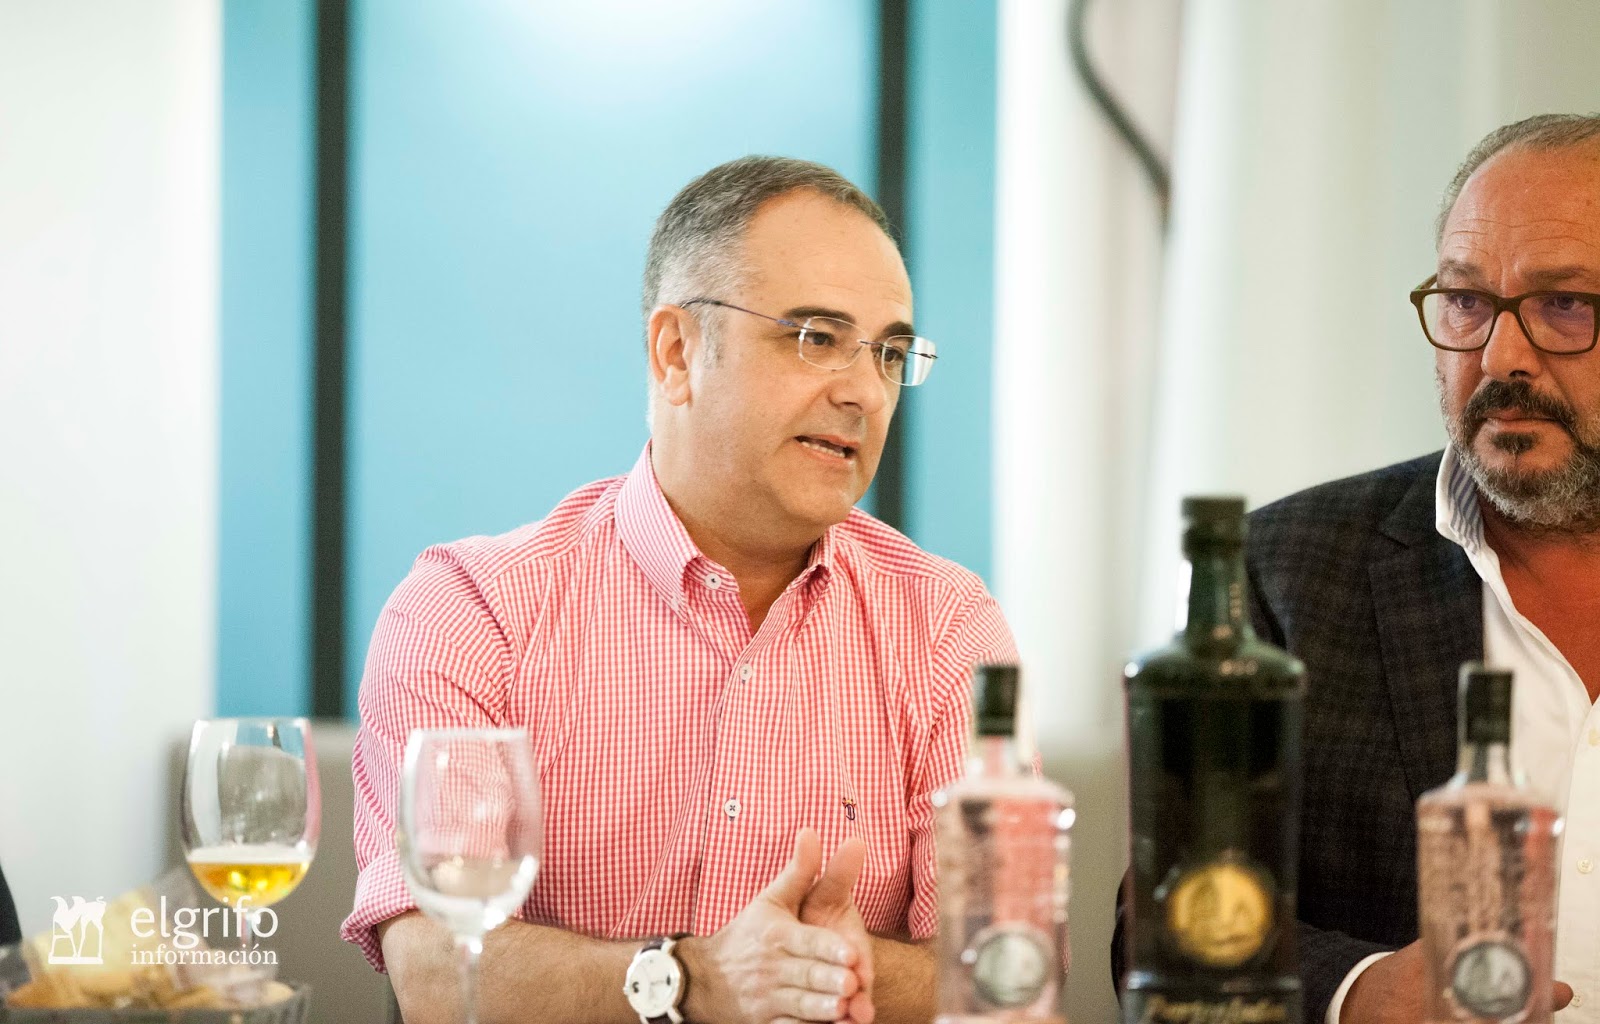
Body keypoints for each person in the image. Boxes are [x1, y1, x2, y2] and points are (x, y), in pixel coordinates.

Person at [341, 156, 1017, 1024]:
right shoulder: (472, 612)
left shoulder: (950, 631)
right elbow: (437, 972)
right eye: (816, 338)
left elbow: (1008, 976)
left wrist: (838, 970)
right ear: (676, 353)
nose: (863, 392)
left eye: (888, 353)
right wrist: (692, 979)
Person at [1116, 113, 1600, 1024]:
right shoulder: (1287, 569)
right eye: (1467, 303)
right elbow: (1163, 922)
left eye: (1565, 305)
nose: (1501, 357)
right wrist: (1359, 994)